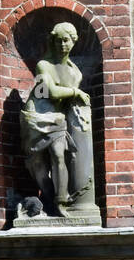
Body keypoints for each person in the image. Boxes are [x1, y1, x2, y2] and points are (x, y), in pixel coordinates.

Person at [20, 22, 94, 216]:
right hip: (36, 116)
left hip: (57, 119)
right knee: (37, 164)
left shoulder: (75, 72)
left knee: (59, 154)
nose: (62, 45)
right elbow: (51, 92)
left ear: (73, 42)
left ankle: (61, 201)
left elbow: (65, 100)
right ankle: (48, 197)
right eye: (58, 40)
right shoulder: (42, 65)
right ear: (53, 41)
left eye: (66, 40)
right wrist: (75, 91)